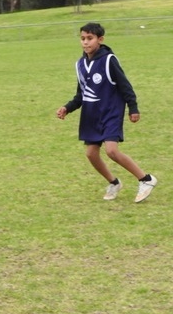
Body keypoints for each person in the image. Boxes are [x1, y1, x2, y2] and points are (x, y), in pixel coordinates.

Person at [56, 22, 157, 203]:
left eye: (90, 38)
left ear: (100, 40)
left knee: (111, 151)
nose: (85, 42)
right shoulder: (80, 65)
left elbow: (125, 85)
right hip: (91, 115)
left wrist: (133, 107)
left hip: (110, 112)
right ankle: (114, 182)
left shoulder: (109, 60)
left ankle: (146, 179)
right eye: (82, 39)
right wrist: (67, 108)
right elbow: (81, 94)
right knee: (91, 154)